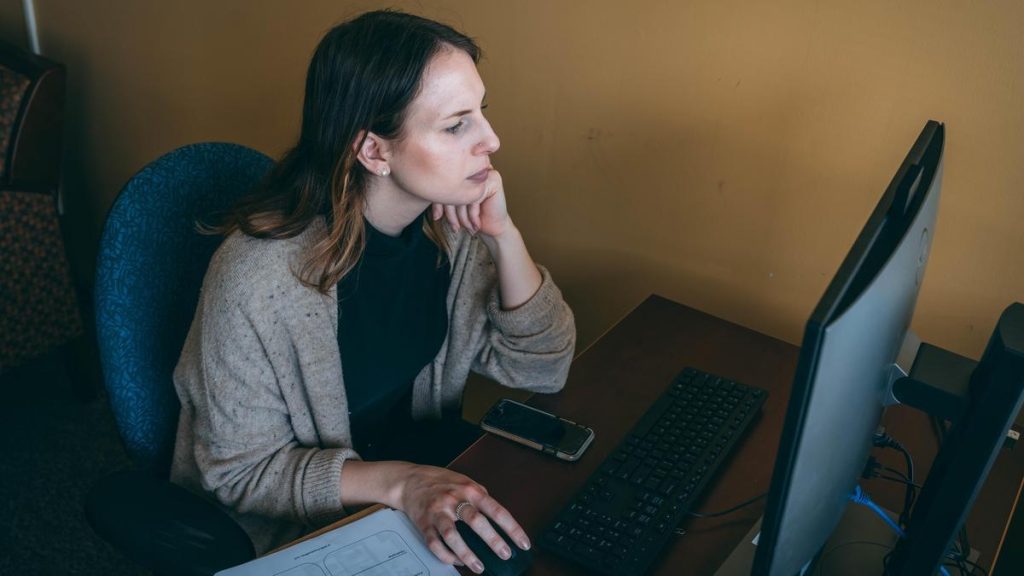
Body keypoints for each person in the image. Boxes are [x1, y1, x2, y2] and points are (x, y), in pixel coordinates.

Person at [170, 9, 576, 575]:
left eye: (482, 111)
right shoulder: (257, 280)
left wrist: (504, 237)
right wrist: (401, 483)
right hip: (299, 522)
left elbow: (543, 368)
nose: (491, 139)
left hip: (413, 471)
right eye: (456, 124)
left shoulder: (450, 229)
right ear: (374, 152)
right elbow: (239, 473)